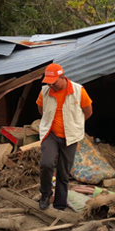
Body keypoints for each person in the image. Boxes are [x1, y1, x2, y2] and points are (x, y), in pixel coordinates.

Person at [36, 63, 93, 210]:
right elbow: (41, 108)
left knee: (63, 171)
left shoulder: (78, 91)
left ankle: (60, 203)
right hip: (51, 134)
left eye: (53, 83)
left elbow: (88, 112)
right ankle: (45, 194)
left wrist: (75, 125)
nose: (51, 86)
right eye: (48, 83)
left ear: (62, 77)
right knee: (46, 164)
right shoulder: (45, 91)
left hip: (71, 136)